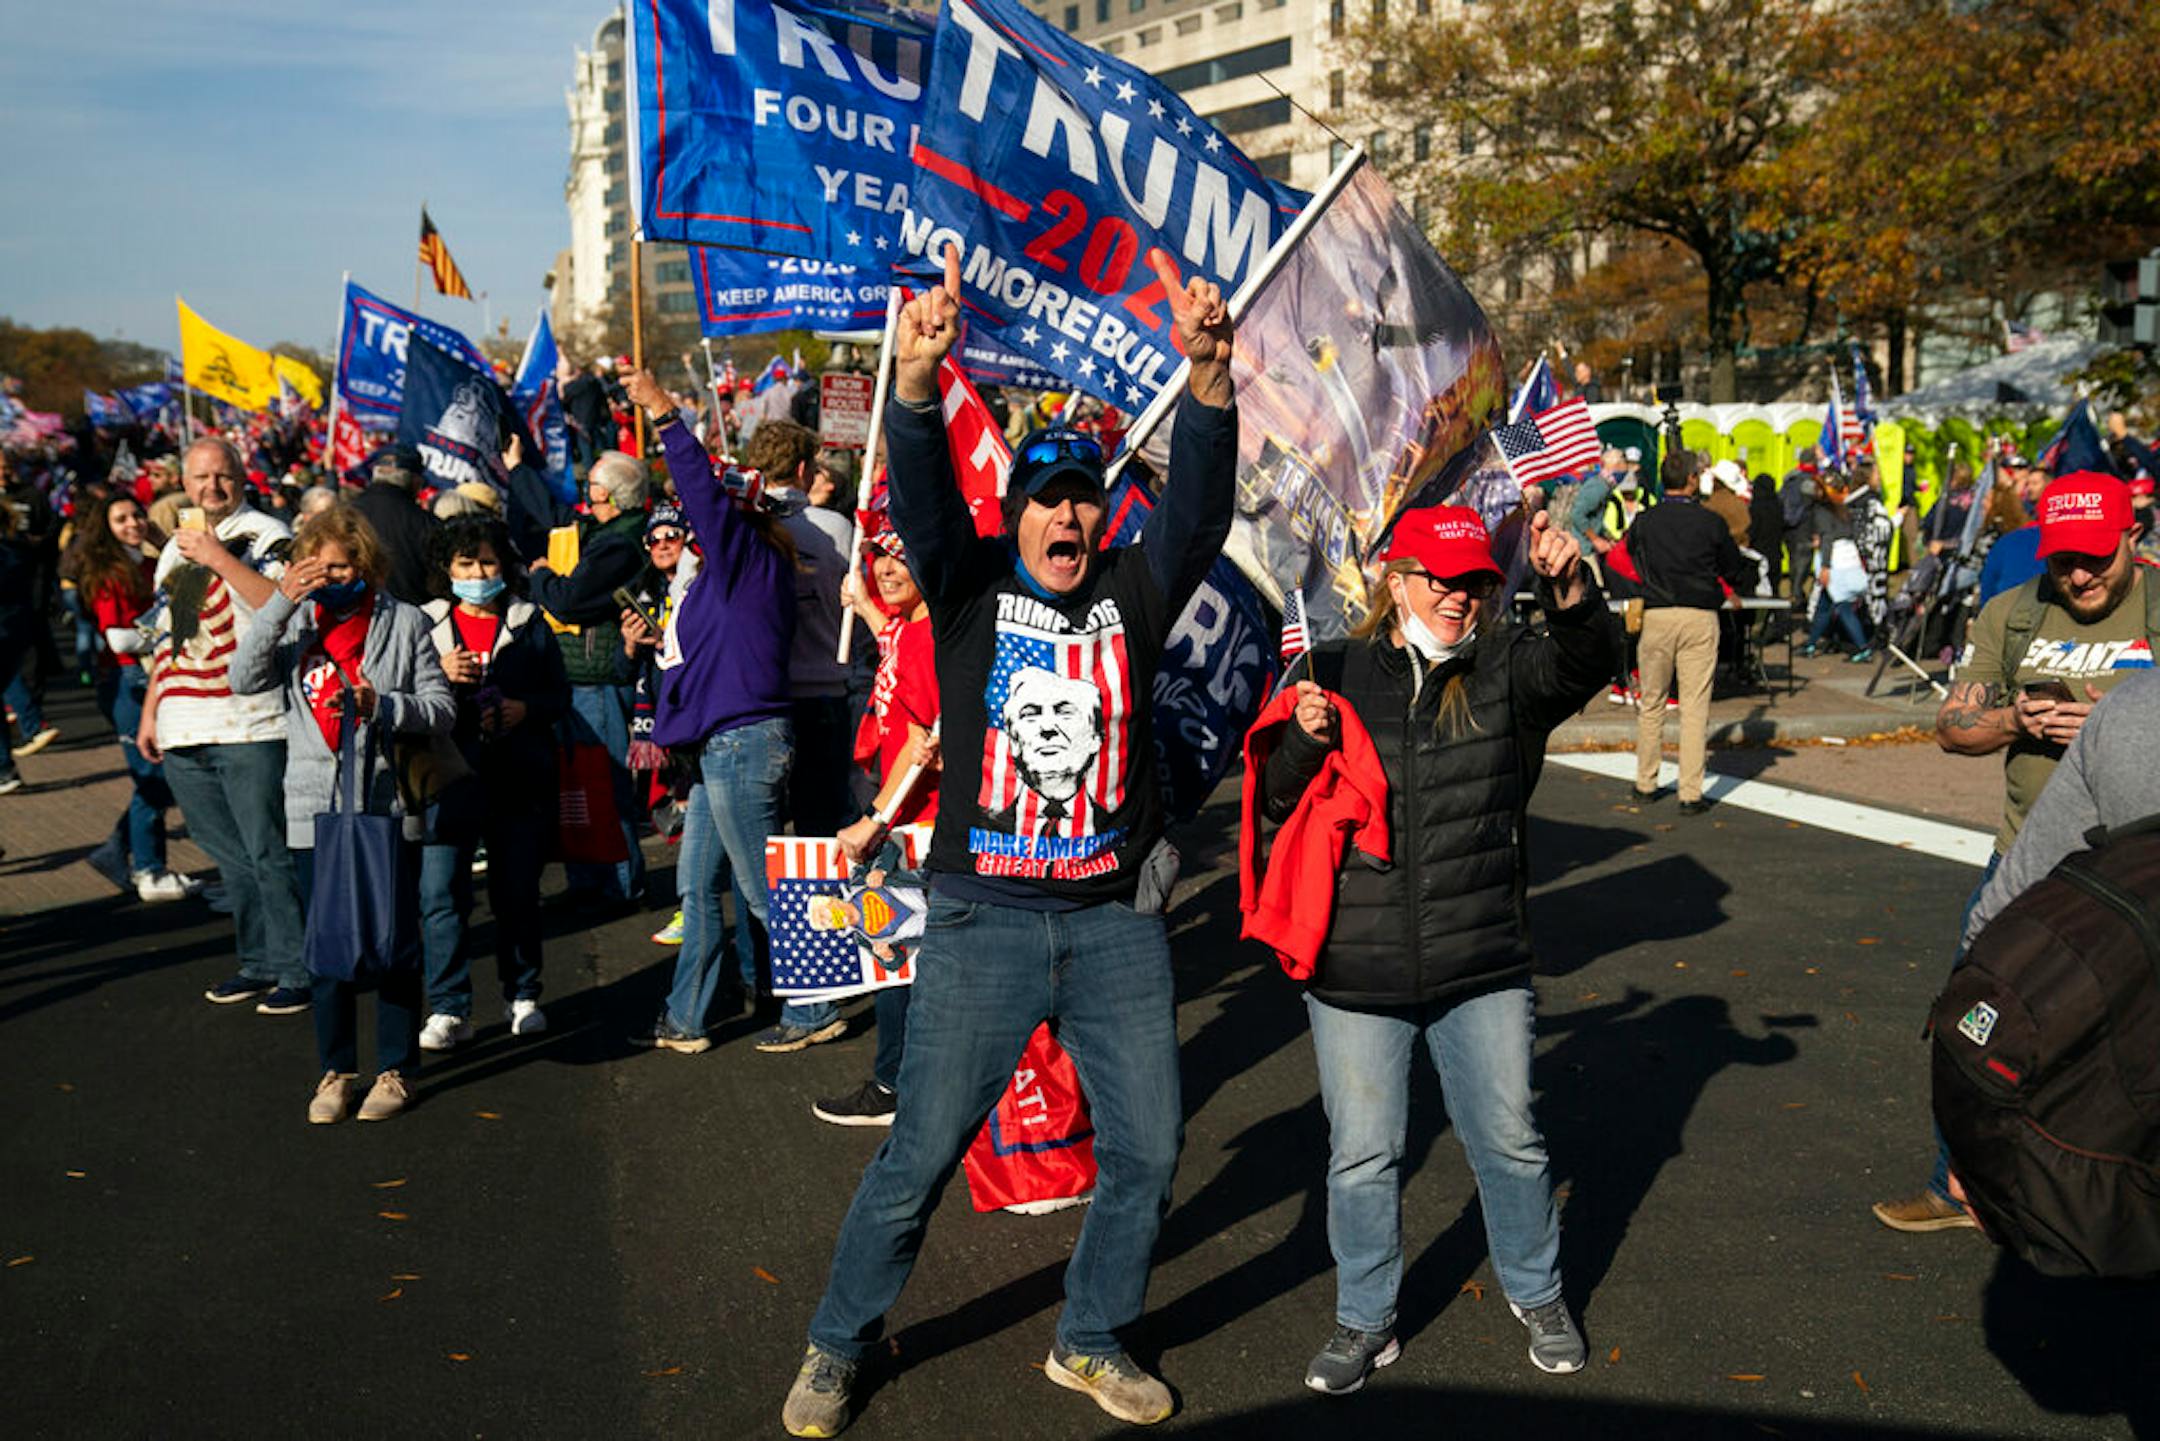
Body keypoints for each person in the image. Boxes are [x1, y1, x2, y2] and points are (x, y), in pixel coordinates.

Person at [780, 247, 1236, 1437]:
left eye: (1085, 495)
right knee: (920, 1154)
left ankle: (1088, 1338)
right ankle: (838, 1344)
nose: (1070, 512)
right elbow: (926, 499)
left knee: (1149, 1147)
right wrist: (920, 386)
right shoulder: (972, 584)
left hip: (1111, 927)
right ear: (1017, 513)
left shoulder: (1133, 592)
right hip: (982, 922)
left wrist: (1207, 380)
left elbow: (1200, 514)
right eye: (1048, 497)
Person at [1250, 502, 1611, 1394]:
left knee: (1512, 1142)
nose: (1458, 595)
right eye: (1440, 578)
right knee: (1362, 1156)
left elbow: (1586, 660)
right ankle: (1365, 1319)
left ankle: (1538, 1292)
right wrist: (1302, 738)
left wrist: (1571, 592)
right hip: (1357, 968)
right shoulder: (1332, 666)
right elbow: (1273, 805)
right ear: (1396, 579)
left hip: (1480, 959)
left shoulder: (1507, 666)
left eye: (1475, 580)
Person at [1872, 471, 2160, 1233]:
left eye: (2096, 557)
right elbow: (1950, 726)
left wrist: (2115, 719)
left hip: (2140, 874)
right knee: (1975, 1017)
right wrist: (2017, 721)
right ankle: (1955, 1186)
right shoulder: (2015, 609)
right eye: (2064, 558)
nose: (2078, 574)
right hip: (2029, 863)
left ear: (2131, 537)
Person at [229, 504, 454, 1124]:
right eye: (319, 566)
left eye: (342, 564)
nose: (331, 575)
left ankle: (395, 1068)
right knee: (326, 946)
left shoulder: (404, 622)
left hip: (387, 805)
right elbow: (241, 677)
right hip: (312, 808)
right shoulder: (296, 621)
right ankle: (336, 1070)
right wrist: (279, 601)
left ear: (367, 564)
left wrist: (383, 704)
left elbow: (441, 709)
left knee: (393, 943)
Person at [621, 366, 812, 1055]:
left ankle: (817, 1004)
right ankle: (687, 1016)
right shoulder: (719, 573)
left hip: (742, 744)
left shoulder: (743, 554)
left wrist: (665, 413)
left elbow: (700, 486)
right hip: (717, 747)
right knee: (696, 889)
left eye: (706, 512)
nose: (693, 519)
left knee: (762, 894)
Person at [138, 438, 310, 1015]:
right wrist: (151, 710)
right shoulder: (171, 549)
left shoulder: (267, 534)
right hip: (184, 722)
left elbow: (284, 611)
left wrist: (217, 557)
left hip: (250, 721)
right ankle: (258, 962)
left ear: (242, 477)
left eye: (223, 475)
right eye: (199, 477)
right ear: (183, 484)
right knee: (229, 857)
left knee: (268, 851)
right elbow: (166, 640)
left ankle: (297, 967)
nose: (211, 487)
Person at [415, 515, 569, 1052]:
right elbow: (402, 695)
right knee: (440, 896)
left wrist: (526, 708)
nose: (477, 572)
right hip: (447, 780)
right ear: (447, 569)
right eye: (465, 563)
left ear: (503, 565)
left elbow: (560, 697)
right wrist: (437, 672)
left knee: (517, 893)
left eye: (486, 561)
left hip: (518, 778)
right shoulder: (424, 624)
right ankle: (449, 1007)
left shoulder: (530, 621)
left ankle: (523, 995)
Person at [812, 521, 941, 1127]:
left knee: (893, 959)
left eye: (899, 559)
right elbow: (892, 646)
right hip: (907, 817)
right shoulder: (909, 628)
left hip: (913, 821)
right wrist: (865, 607)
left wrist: (873, 819)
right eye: (878, 559)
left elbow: (922, 742)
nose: (886, 570)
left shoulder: (930, 636)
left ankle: (894, 1087)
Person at [516, 448, 650, 905]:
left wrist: (542, 578)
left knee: (605, 785)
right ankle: (590, 880)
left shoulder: (620, 543)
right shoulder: (605, 531)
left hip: (598, 680)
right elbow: (556, 514)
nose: (583, 494)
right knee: (577, 786)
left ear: (610, 493)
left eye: (591, 486)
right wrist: (518, 469)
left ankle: (620, 883)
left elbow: (570, 599)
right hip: (579, 678)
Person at [76, 493, 197, 900]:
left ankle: (118, 850)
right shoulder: (107, 573)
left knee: (159, 777)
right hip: (127, 680)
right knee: (153, 778)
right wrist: (166, 631)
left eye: (137, 514)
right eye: (121, 518)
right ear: (104, 527)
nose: (133, 523)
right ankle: (148, 868)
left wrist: (165, 544)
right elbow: (119, 638)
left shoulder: (148, 563)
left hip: (153, 676)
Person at [1626, 450, 1753, 814]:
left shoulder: (1646, 521)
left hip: (1657, 613)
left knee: (1652, 702)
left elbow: (1631, 555)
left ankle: (1645, 782)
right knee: (1695, 707)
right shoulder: (1710, 522)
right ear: (1693, 480)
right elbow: (1731, 565)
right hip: (1699, 613)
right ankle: (1690, 792)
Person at [348, 445, 438, 605]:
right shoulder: (427, 523)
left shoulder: (343, 514)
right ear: (416, 481)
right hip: (413, 616)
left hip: (353, 613)